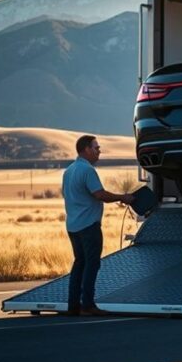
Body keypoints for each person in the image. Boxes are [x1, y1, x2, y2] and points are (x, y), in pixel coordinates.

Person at [61, 135, 134, 316]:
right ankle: (88, 304)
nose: (99, 151)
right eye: (96, 148)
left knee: (79, 263)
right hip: (88, 225)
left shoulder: (69, 170)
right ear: (86, 149)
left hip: (73, 225)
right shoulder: (87, 171)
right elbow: (99, 194)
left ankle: (73, 305)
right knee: (92, 264)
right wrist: (122, 197)